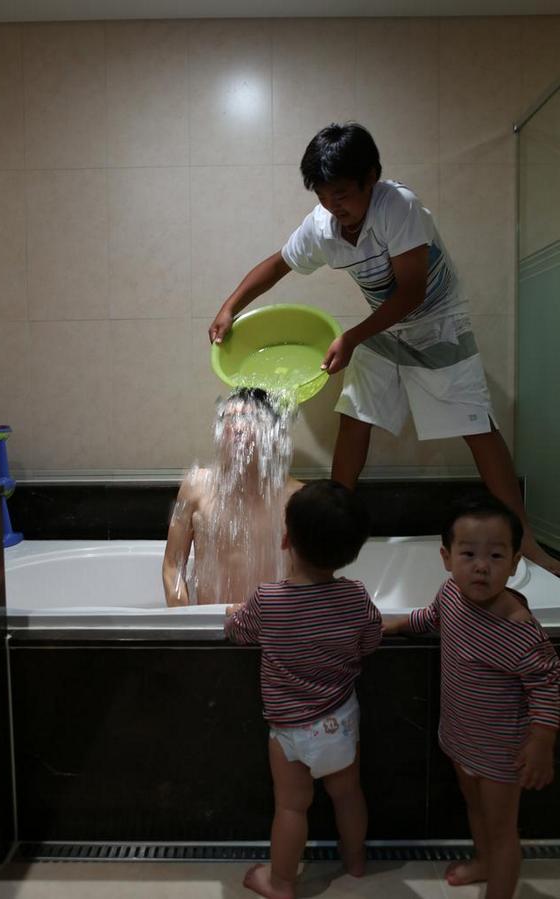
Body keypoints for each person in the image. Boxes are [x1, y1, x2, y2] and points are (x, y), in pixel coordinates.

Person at [208, 122, 559, 576]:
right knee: (355, 416)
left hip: (438, 323)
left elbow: (412, 293)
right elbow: (278, 264)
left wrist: (352, 337)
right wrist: (229, 307)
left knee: (475, 423)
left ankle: (524, 539)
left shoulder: (399, 208)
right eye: (323, 197)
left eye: (343, 195)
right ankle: (330, 536)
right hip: (385, 328)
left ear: (371, 176)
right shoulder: (322, 227)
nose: (335, 208)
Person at [384, 496, 560, 899]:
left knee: (502, 832)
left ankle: (498, 881)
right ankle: (483, 861)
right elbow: (429, 618)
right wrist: (393, 625)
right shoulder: (452, 594)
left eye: (496, 555)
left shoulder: (520, 630)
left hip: (502, 752)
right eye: (469, 554)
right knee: (475, 810)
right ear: (447, 558)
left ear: (516, 564)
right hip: (462, 737)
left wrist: (542, 741)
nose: (481, 566)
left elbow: (548, 684)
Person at [225, 480, 382, 899]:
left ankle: (279, 882)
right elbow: (370, 641)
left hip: (291, 729)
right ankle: (355, 861)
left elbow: (239, 633)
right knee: (348, 794)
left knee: (292, 806)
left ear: (285, 541)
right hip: (341, 718)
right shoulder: (355, 596)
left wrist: (231, 614)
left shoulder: (268, 599)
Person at [162, 387, 302, 606]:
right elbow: (173, 565)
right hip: (209, 626)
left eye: (250, 418)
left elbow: (313, 577)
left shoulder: (297, 497)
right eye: (230, 418)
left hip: (271, 629)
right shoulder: (195, 485)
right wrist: (184, 619)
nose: (237, 427)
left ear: (272, 433)